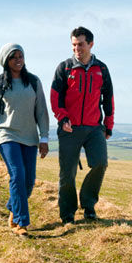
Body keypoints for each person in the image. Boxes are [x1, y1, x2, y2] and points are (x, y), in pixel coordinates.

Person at [0, 43, 50, 236]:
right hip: (6, 135)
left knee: (29, 181)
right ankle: (21, 223)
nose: (18, 59)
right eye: (13, 57)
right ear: (5, 61)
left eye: (21, 56)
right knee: (17, 175)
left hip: (29, 137)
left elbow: (42, 111)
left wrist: (44, 137)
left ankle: (13, 207)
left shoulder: (34, 81)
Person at [50, 26, 114, 224]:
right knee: (67, 173)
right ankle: (67, 214)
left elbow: (108, 98)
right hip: (70, 128)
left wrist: (108, 124)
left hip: (94, 127)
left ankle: (88, 205)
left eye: (81, 44)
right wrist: (62, 118)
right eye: (74, 45)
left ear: (91, 44)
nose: (77, 48)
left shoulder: (101, 69)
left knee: (101, 163)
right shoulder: (65, 68)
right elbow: (55, 97)